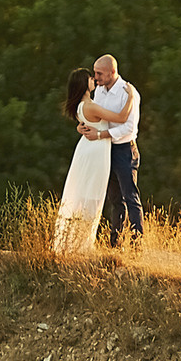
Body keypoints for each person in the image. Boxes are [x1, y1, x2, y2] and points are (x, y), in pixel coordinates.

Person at [79, 54, 143, 245]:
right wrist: (82, 127)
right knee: (115, 199)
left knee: (130, 197)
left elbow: (129, 128)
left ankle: (137, 243)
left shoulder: (128, 93)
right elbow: (97, 117)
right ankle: (115, 243)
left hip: (124, 150)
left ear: (112, 72)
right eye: (95, 72)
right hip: (105, 150)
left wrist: (100, 135)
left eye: (99, 73)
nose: (95, 77)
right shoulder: (99, 91)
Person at [53, 68, 112, 254]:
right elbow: (120, 117)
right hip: (96, 150)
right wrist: (132, 98)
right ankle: (83, 244)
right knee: (92, 194)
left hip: (88, 148)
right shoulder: (90, 106)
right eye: (90, 78)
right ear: (83, 83)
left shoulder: (82, 105)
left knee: (84, 194)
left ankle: (77, 242)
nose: (93, 79)